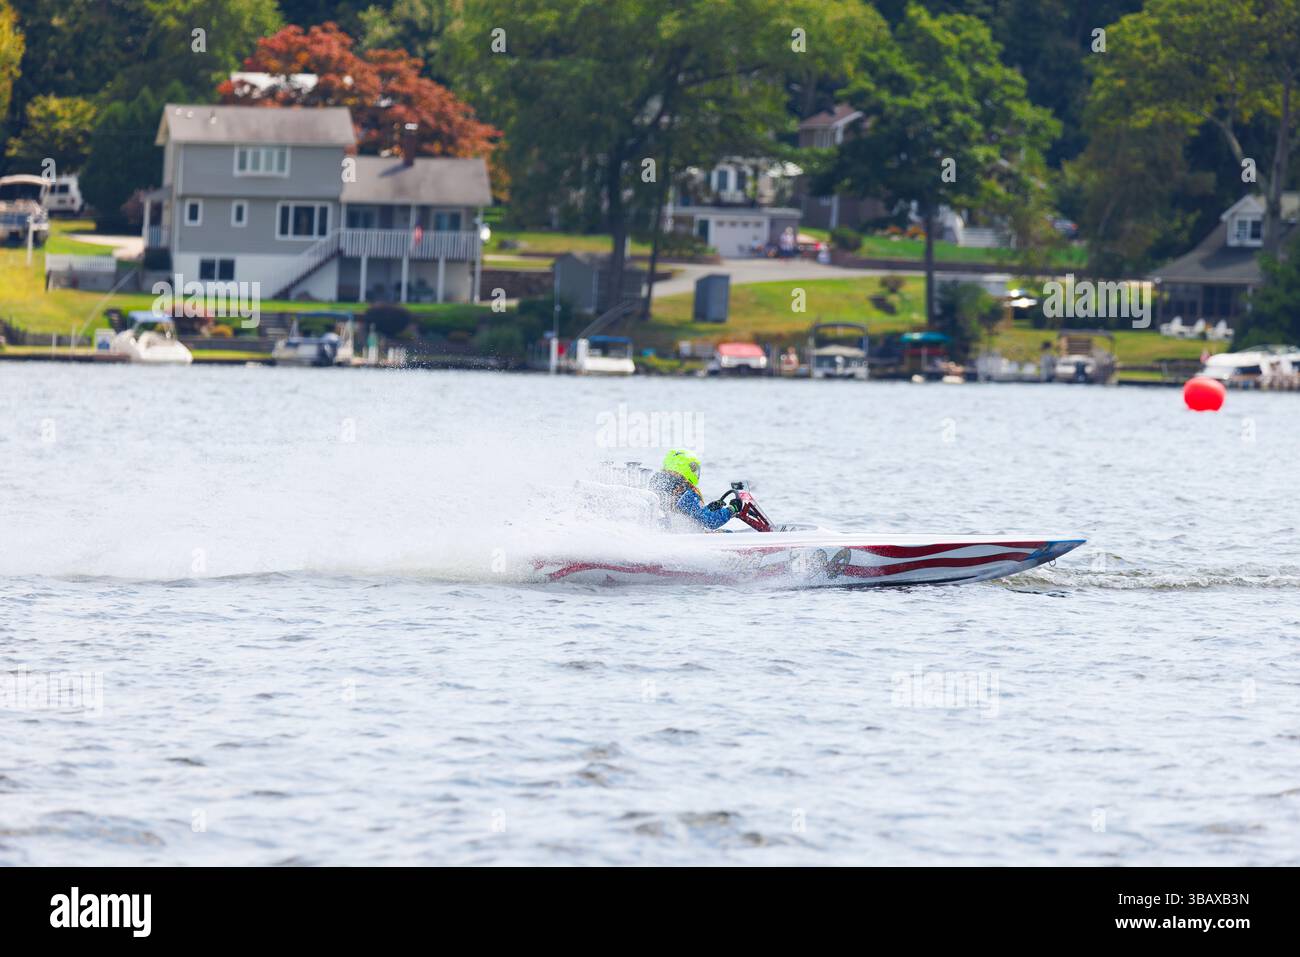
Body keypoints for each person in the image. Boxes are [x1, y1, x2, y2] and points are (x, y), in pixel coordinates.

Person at [649, 449, 740, 530]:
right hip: (686, 538)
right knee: (729, 532)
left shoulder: (662, 487)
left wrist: (709, 508)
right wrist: (732, 509)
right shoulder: (684, 493)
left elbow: (692, 513)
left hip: (670, 532)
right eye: (693, 468)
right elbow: (710, 521)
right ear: (684, 468)